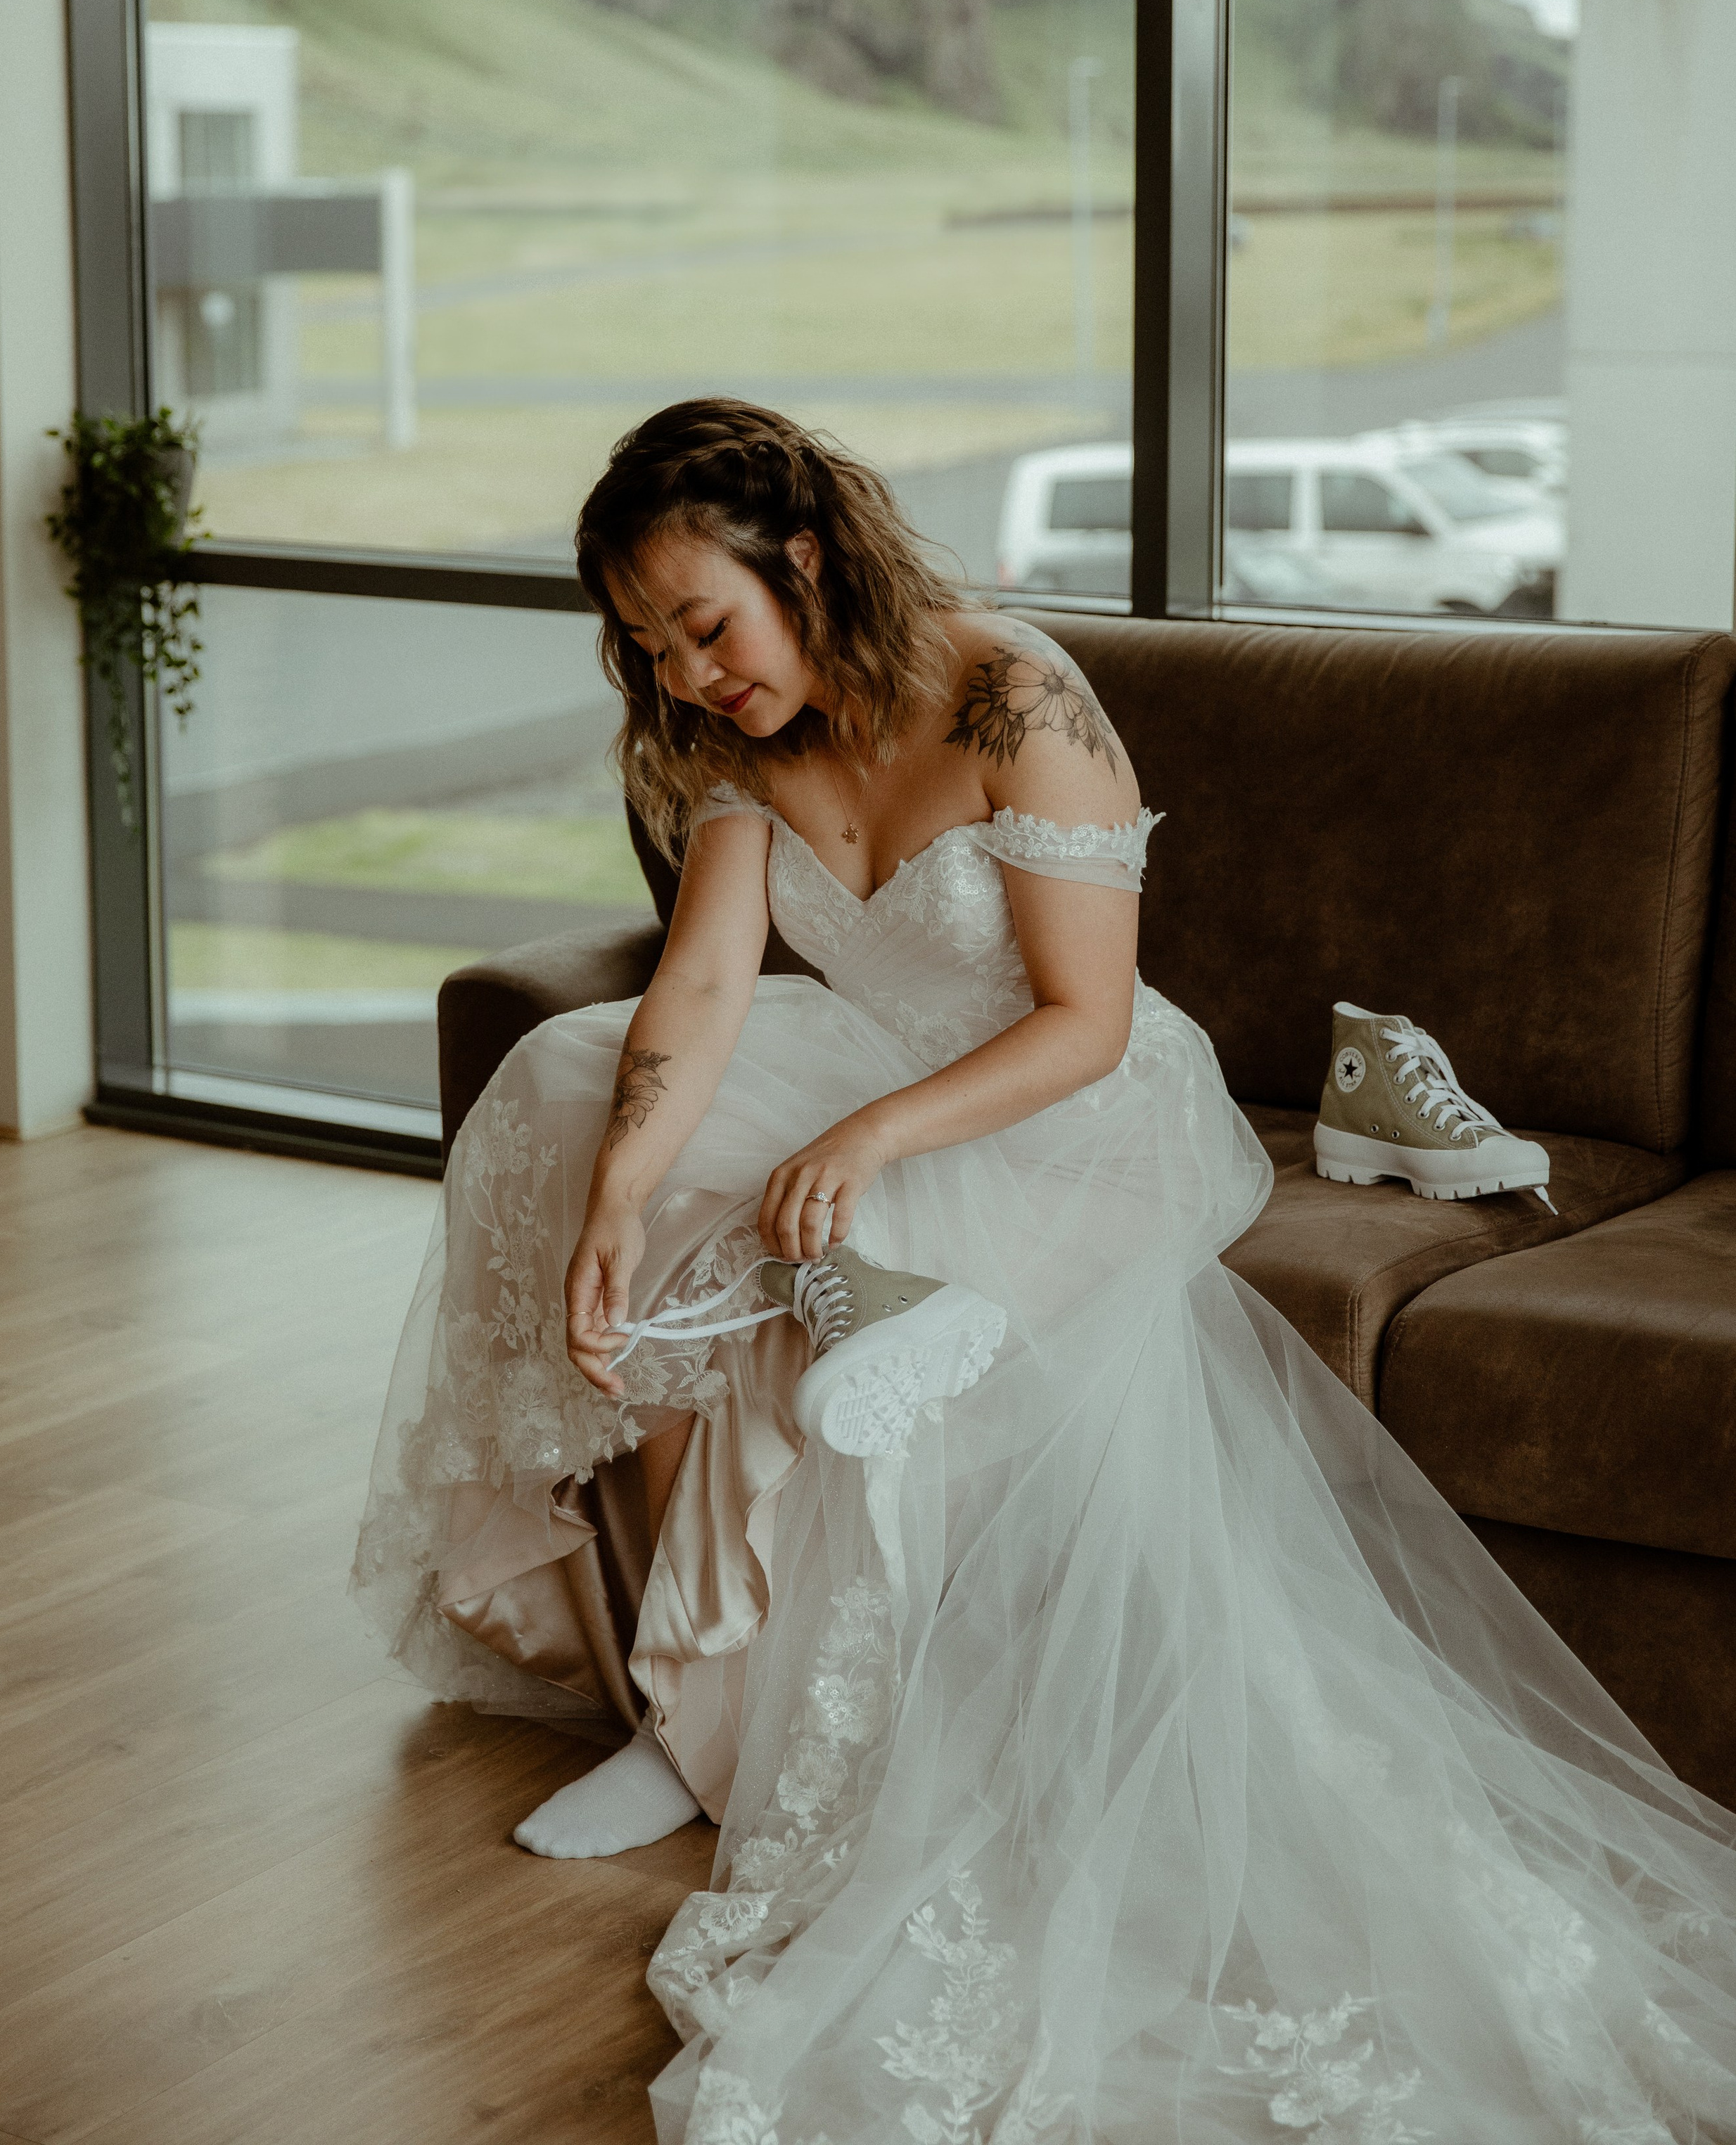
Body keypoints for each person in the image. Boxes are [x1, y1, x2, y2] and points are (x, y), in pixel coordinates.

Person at [355, 399, 1736, 2145]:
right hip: (866, 1067)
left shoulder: (1011, 693)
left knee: (837, 1270)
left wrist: (863, 1150)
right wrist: (624, 1186)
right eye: (647, 649)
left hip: (1071, 1106)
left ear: (801, 558)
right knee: (569, 1086)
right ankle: (677, 1695)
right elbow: (698, 990)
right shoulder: (736, 744)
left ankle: (759, 1731)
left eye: (704, 625)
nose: (689, 674)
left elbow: (1083, 1025)